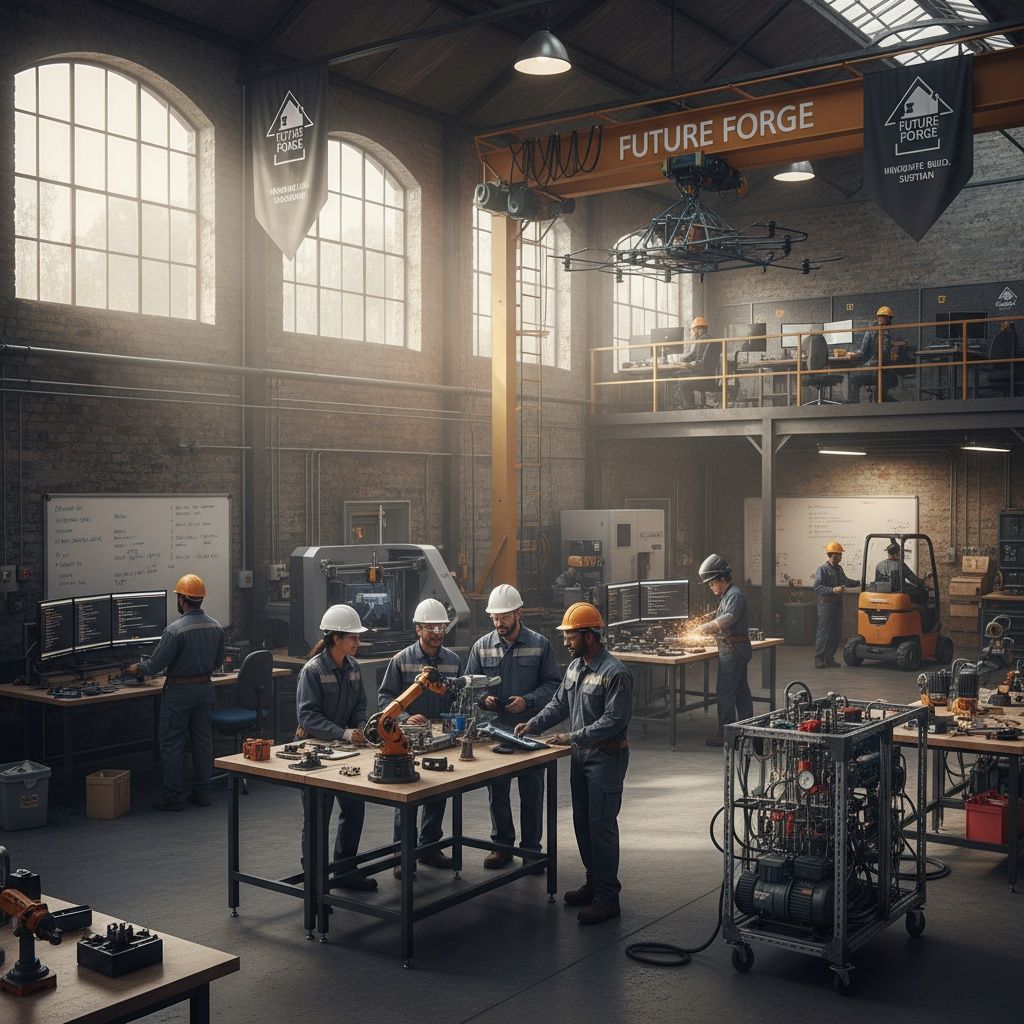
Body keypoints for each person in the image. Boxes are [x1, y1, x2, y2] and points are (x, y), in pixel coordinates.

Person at [515, 602, 632, 926]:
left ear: (589, 635)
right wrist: (533, 723)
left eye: (570, 635)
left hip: (606, 757)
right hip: (582, 757)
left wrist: (570, 737)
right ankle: (594, 884)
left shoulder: (615, 673)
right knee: (583, 822)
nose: (565, 641)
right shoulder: (576, 668)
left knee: (602, 826)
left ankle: (608, 899)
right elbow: (559, 704)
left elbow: (612, 721)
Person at [466, 584, 560, 871]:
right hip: (494, 731)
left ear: (519, 613)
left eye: (504, 617)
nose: (498, 623)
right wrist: (484, 698)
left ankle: (531, 849)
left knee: (531, 792)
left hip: (530, 729)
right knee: (498, 791)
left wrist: (528, 700)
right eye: (494, 618)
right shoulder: (481, 646)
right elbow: (469, 686)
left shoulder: (540, 644)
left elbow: (554, 685)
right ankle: (501, 847)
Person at [294, 604, 376, 891]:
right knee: (318, 816)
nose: (357, 642)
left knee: (354, 808)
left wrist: (362, 728)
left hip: (346, 751)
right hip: (316, 753)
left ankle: (344, 870)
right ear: (335, 638)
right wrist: (344, 733)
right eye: (352, 637)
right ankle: (314, 881)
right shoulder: (312, 671)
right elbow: (308, 717)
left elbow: (360, 706)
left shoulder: (353, 668)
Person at [378, 597, 461, 878]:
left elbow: (456, 696)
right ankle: (402, 856)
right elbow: (385, 698)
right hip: (408, 740)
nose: (437, 633)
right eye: (431, 627)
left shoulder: (453, 661)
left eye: (441, 627)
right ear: (418, 629)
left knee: (438, 793)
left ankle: (429, 847)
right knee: (406, 799)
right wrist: (404, 718)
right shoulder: (401, 661)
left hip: (441, 737)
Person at [129, 573, 224, 811]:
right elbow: (218, 661)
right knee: (203, 741)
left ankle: (173, 796)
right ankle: (202, 792)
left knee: (172, 742)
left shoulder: (175, 631)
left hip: (180, 691)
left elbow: (155, 665)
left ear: (182, 599)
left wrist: (136, 668)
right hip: (205, 689)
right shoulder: (216, 626)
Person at [696, 553, 752, 746]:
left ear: (722, 579)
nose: (711, 587)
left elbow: (729, 617)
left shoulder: (734, 595)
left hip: (733, 650)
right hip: (736, 648)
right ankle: (749, 730)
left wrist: (706, 627)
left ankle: (725, 736)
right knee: (741, 691)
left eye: (712, 583)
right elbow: (721, 613)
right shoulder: (729, 594)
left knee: (725, 692)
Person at [812, 541, 859, 669]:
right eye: (840, 554)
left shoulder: (838, 569)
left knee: (836, 633)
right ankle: (819, 658)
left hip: (837, 605)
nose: (841, 557)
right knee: (824, 632)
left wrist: (859, 583)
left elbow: (845, 581)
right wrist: (833, 590)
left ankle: (829, 658)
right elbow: (817, 587)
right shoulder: (822, 569)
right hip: (826, 605)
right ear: (833, 555)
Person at [845, 305, 895, 404]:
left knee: (852, 378)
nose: (882, 319)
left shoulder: (872, 332)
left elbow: (863, 352)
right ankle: (880, 399)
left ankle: (854, 403)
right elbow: (884, 354)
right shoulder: (888, 333)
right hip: (883, 370)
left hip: (875, 369)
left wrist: (853, 354)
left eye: (882, 317)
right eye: (882, 317)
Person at [671, 315, 712, 409]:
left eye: (693, 330)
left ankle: (689, 407)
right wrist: (682, 360)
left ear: (699, 329)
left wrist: (685, 364)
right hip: (706, 372)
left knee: (681, 381)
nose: (693, 332)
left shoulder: (703, 340)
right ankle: (688, 404)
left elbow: (699, 361)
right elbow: (693, 355)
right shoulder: (706, 339)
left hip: (703, 374)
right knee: (680, 375)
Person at [875, 539, 929, 606]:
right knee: (923, 593)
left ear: (888, 553)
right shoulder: (900, 565)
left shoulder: (879, 565)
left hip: (882, 594)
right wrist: (923, 582)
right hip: (896, 593)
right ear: (897, 553)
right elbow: (913, 579)